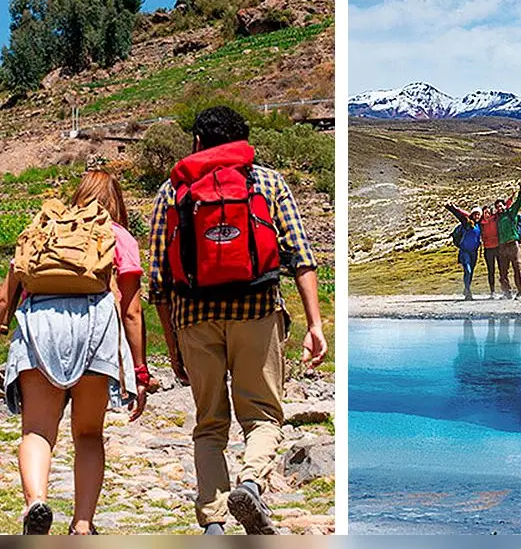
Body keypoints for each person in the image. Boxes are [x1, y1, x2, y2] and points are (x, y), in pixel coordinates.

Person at [149, 107, 327, 535]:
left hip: (194, 316)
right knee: (263, 417)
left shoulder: (173, 191)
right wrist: (315, 324)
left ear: (196, 143)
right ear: (244, 141)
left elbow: (158, 279)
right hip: (257, 312)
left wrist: (173, 345)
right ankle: (250, 482)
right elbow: (300, 256)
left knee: (209, 424)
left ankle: (213, 522)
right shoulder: (266, 182)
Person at [2, 171, 148, 535]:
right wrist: (140, 371)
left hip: (38, 326)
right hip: (95, 329)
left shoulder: (43, 229)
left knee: (36, 431)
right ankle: (82, 524)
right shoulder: (119, 237)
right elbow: (131, 310)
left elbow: (6, 298)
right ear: (117, 202)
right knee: (87, 434)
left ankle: (36, 502)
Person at [445, 203, 482, 300]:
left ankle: (467, 289)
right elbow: (459, 215)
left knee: (470, 272)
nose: (477, 216)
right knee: (468, 270)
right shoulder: (467, 222)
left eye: (479, 214)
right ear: (472, 215)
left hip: (474, 253)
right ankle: (468, 291)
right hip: (464, 252)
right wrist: (451, 208)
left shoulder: (480, 225)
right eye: (475, 214)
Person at [495, 185, 521, 300]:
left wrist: (520, 193)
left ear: (504, 206)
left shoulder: (511, 213)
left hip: (513, 244)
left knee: (517, 268)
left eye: (500, 206)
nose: (499, 208)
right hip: (502, 246)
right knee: (503, 271)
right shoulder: (497, 218)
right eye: (497, 207)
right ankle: (507, 292)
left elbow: (518, 203)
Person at [479, 198, 512, 299]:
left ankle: (506, 291)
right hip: (488, 249)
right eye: (485, 213)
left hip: (498, 248)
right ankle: (492, 292)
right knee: (491, 271)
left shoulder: (495, 218)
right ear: (483, 214)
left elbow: (504, 205)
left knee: (502, 269)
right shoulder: (481, 223)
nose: (487, 214)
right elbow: (468, 215)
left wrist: (511, 197)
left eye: (488, 212)